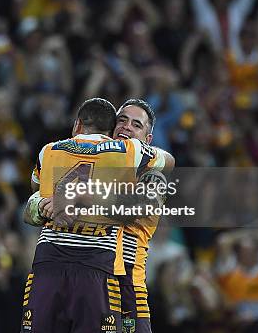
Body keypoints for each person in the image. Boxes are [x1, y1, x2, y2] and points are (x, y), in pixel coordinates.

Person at [20, 98, 172, 333]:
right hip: (89, 272)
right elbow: (33, 204)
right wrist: (41, 205)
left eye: (136, 124)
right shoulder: (100, 161)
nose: (127, 127)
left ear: (148, 140)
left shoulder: (153, 175)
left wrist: (81, 196)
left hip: (127, 287)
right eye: (122, 120)